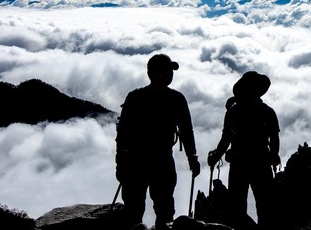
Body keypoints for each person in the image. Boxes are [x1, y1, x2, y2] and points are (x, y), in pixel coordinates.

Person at [116, 54, 200, 230]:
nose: (169, 74)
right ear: (152, 73)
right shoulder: (174, 98)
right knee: (154, 210)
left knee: (148, 209)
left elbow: (186, 131)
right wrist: (192, 157)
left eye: (170, 71)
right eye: (166, 71)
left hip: (142, 161)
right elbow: (186, 131)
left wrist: (192, 156)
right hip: (149, 161)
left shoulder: (136, 97)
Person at [208, 71, 280, 229]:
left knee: (251, 205)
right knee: (259, 205)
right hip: (256, 162)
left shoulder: (234, 113)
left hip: (243, 163)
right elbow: (274, 137)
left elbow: (226, 138)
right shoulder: (265, 112)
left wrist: (216, 156)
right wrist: (274, 155)